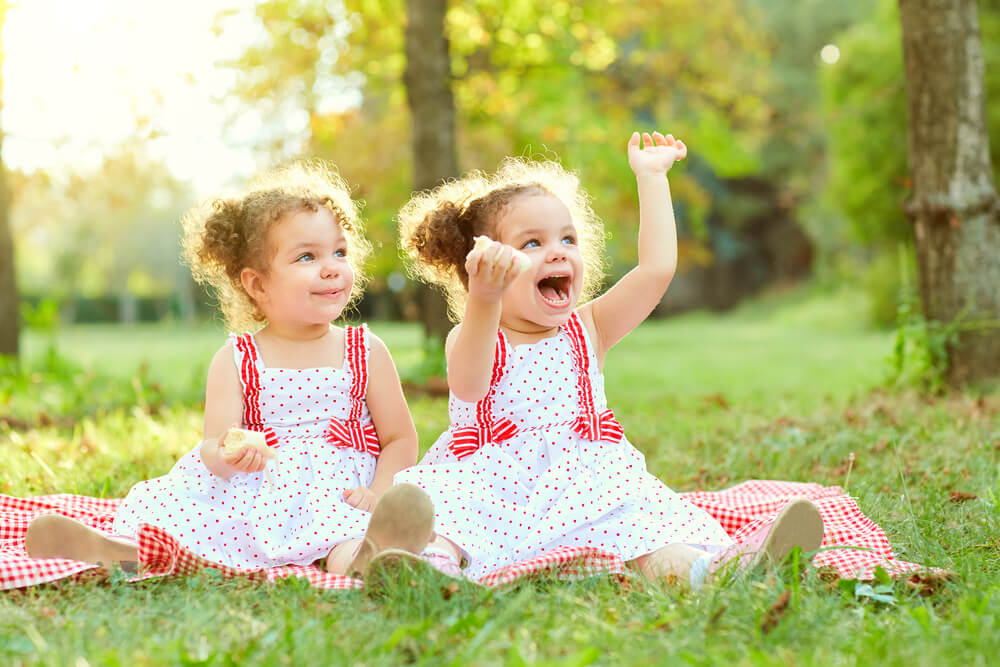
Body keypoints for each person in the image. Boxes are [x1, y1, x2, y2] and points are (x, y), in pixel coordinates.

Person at [393, 132, 824, 586]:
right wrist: (485, 297)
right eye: (532, 244)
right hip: (492, 485)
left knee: (641, 533)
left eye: (567, 238)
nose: (557, 250)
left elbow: (656, 270)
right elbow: (468, 385)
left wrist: (652, 178)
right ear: (484, 266)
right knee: (444, 515)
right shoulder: (476, 333)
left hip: (585, 484)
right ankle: (428, 571)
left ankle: (714, 574)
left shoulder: (589, 328)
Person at [25, 161, 434, 576]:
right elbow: (213, 445)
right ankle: (121, 549)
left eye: (340, 252)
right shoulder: (237, 358)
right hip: (261, 490)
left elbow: (399, 437)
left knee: (343, 532)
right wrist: (230, 455)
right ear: (258, 284)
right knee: (205, 525)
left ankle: (367, 559)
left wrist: (379, 492)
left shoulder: (364, 349)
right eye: (307, 256)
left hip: (341, 493)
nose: (332, 266)